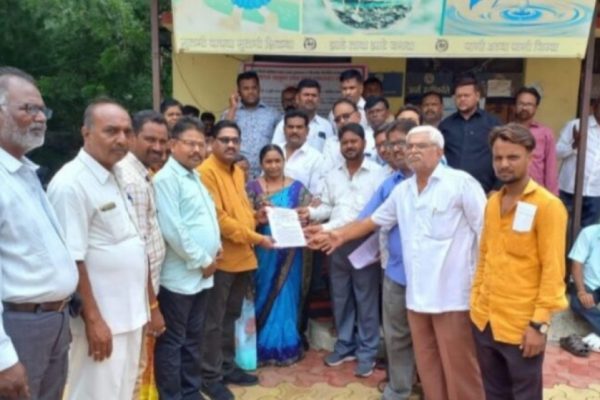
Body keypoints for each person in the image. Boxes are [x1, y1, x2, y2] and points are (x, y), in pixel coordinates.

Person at [307, 125, 487, 400]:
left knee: (459, 367)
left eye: (420, 146)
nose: (412, 151)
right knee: (428, 364)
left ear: (439, 151)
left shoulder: (461, 184)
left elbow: (486, 233)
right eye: (409, 146)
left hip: (452, 297)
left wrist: (485, 286)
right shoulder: (402, 191)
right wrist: (337, 235)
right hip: (416, 296)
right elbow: (371, 220)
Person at [48, 99, 148, 399]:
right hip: (102, 323)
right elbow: (71, 259)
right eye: (111, 131)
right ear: (86, 133)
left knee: (123, 393)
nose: (122, 139)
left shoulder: (116, 174)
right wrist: (93, 320)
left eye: (127, 131)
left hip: (130, 316)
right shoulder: (71, 184)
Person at [471, 123, 568, 400]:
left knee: (525, 395)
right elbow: (484, 256)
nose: (504, 164)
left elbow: (553, 272)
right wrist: (475, 304)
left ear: (530, 156)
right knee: (493, 393)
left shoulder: (548, 206)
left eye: (512, 157)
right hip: (485, 320)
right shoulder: (492, 203)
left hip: (523, 327)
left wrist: (539, 326)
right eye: (498, 157)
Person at [0, 66, 78, 400]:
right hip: (20, 328)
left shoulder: (25, 173)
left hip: (52, 321)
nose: (40, 118)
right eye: (28, 109)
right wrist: (3, 359)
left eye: (43, 110)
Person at [299, 123, 385, 378]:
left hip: (364, 243)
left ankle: (367, 352)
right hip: (334, 244)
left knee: (366, 298)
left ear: (364, 144)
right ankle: (345, 345)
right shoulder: (333, 174)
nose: (349, 146)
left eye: (353, 141)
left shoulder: (378, 174)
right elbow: (327, 205)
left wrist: (327, 228)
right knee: (341, 296)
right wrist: (310, 212)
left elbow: (371, 214)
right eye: (345, 142)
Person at [198, 120, 274, 400]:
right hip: (221, 260)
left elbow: (240, 212)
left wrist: (256, 217)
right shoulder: (206, 172)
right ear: (212, 142)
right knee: (213, 320)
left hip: (243, 256)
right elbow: (219, 219)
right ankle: (209, 376)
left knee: (231, 316)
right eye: (225, 139)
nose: (231, 145)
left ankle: (227, 367)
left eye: (235, 140)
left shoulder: (237, 172)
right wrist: (257, 238)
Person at [153, 116, 221, 400]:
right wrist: (203, 260)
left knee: (194, 339)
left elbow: (203, 219)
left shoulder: (194, 176)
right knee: (174, 342)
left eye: (201, 144)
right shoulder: (166, 179)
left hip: (202, 275)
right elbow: (173, 229)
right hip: (180, 278)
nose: (197, 150)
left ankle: (191, 392)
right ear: (172, 144)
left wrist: (216, 247)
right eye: (190, 143)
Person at [356, 119, 417, 399]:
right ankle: (399, 388)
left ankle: (431, 385)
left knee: (431, 336)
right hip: (395, 271)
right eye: (391, 144)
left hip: (434, 277)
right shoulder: (391, 184)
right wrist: (332, 234)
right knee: (396, 334)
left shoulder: (451, 180)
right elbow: (366, 219)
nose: (395, 149)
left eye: (401, 143)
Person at [114, 110, 168, 399]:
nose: (158, 147)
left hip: (142, 293)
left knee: (138, 367)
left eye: (163, 141)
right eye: (150, 139)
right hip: (137, 298)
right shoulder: (131, 180)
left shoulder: (143, 174)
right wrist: (152, 305)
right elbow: (139, 249)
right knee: (133, 372)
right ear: (132, 137)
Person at [246, 144, 312, 366]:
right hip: (263, 250)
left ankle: (284, 345)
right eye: (269, 161)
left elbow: (311, 214)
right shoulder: (252, 188)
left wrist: (304, 218)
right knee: (262, 291)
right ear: (261, 164)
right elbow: (244, 218)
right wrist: (257, 216)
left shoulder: (297, 188)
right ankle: (259, 345)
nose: (273, 166)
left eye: (277, 161)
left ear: (284, 162)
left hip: (291, 254)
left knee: (286, 295)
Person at [439, 75, 501, 193]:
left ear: (477, 96)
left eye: (466, 95)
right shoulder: (445, 126)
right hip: (451, 191)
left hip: (485, 190)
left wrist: (497, 188)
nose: (462, 99)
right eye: (458, 96)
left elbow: (502, 154)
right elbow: (438, 158)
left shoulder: (493, 123)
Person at [222, 71, 280, 178]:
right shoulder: (230, 113)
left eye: (254, 88)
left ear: (259, 89)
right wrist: (233, 108)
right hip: (235, 172)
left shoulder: (273, 114)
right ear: (239, 92)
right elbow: (223, 134)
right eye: (246, 88)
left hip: (266, 175)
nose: (251, 92)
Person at [556, 99, 600, 227]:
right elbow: (556, 152)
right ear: (595, 107)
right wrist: (574, 145)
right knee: (562, 227)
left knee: (587, 232)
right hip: (569, 190)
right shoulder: (576, 125)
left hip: (596, 193)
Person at [514, 87, 558, 194]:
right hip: (511, 190)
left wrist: (552, 195)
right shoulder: (506, 131)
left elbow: (551, 167)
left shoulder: (545, 133)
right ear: (515, 106)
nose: (524, 107)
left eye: (529, 104)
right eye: (521, 103)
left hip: (536, 192)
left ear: (536, 108)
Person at [272, 79, 334, 153]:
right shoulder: (284, 124)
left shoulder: (326, 126)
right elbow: (276, 152)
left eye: (314, 95)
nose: (310, 98)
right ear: (297, 98)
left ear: (319, 100)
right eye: (306, 95)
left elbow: (331, 153)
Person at [278, 109, 324, 197]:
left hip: (300, 205)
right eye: (290, 127)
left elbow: (315, 193)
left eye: (299, 127)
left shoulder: (316, 158)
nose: (294, 131)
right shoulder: (275, 151)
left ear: (307, 130)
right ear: (284, 130)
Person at [569, 223, 600, 349]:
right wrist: (582, 292)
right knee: (578, 303)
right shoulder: (589, 233)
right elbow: (576, 264)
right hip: (587, 284)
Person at [323, 99, 377, 171]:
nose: (342, 121)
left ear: (358, 116)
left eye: (346, 116)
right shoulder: (330, 143)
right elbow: (327, 171)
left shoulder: (374, 138)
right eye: (337, 119)